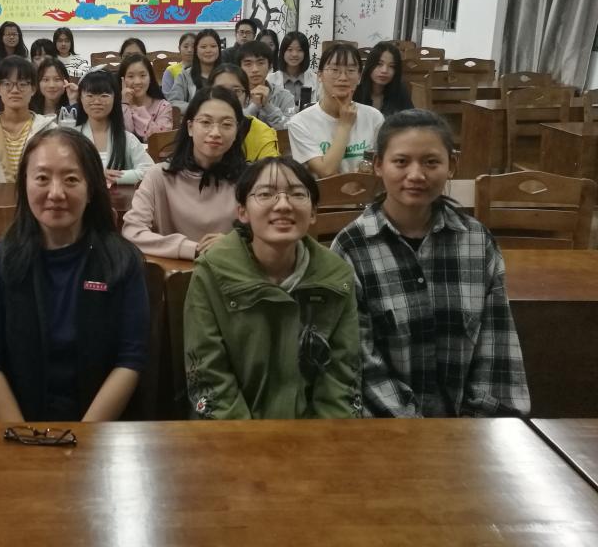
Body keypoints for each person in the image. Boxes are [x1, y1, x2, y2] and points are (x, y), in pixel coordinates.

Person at [331, 109, 530, 418]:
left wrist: (477, 425)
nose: (416, 175)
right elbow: (360, 360)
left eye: (431, 162)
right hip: (387, 428)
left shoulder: (476, 241)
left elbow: (496, 343)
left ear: (452, 165)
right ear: (378, 165)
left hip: (470, 427)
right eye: (401, 162)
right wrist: (417, 429)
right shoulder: (351, 248)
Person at [0, 128, 149, 422]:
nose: (55, 193)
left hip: (101, 432)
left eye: (71, 180)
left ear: (91, 189)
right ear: (24, 185)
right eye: (42, 178)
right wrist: (21, 436)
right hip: (18, 430)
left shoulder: (122, 261)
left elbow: (130, 359)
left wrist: (86, 435)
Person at [184, 157, 361, 419]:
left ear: (313, 212)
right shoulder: (211, 273)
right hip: (231, 433)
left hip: (316, 436)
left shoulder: (337, 276)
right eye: (265, 194)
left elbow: (340, 379)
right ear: (242, 211)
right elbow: (210, 375)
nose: (283, 205)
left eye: (297, 194)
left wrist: (323, 438)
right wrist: (250, 439)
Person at [122, 86, 245, 259]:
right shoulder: (159, 176)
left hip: (230, 271)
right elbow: (132, 231)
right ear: (190, 127)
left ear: (237, 131)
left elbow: (265, 236)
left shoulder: (248, 180)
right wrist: (194, 249)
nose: (215, 133)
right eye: (206, 122)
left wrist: (233, 244)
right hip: (175, 270)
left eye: (226, 124)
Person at [288, 43, 384, 177]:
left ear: (359, 77)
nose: (343, 77)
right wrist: (344, 125)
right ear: (320, 76)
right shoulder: (300, 123)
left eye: (351, 70)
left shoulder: (374, 117)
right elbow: (326, 171)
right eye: (334, 70)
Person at [0, 56, 56, 183]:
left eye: (22, 84)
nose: (15, 90)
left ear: (33, 89)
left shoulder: (49, 131)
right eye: (7, 84)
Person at [74, 71, 154, 185]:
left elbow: (150, 171)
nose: (97, 101)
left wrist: (117, 177)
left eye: (104, 96)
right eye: (90, 95)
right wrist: (95, 175)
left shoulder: (127, 139)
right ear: (80, 99)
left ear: (115, 99)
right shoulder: (72, 137)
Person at [210, 64, 279, 161]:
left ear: (247, 98)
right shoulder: (198, 126)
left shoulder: (262, 132)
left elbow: (271, 169)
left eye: (236, 91)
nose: (228, 97)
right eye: (221, 91)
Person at [234, 40, 295, 130]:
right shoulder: (233, 95)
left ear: (270, 66)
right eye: (248, 64)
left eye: (260, 63)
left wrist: (267, 106)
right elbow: (233, 128)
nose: (255, 69)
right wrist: (254, 106)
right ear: (239, 68)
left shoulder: (285, 96)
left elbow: (291, 127)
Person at [119, 53, 173, 141]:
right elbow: (123, 135)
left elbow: (159, 139)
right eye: (131, 76)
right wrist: (124, 104)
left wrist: (136, 110)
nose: (137, 82)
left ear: (150, 77)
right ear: (123, 79)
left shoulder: (163, 107)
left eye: (142, 75)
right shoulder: (116, 106)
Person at [167, 29, 222, 113]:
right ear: (196, 50)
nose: (208, 50)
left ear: (219, 49)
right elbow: (173, 102)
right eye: (203, 47)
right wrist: (198, 108)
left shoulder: (228, 75)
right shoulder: (184, 75)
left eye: (213, 46)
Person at [353, 42, 414, 117]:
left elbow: (411, 119)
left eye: (391, 66)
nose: (384, 70)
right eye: (379, 64)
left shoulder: (400, 90)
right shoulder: (355, 90)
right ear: (370, 65)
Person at [268, 31, 319, 108]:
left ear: (305, 53)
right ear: (283, 52)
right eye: (290, 49)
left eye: (299, 50)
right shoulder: (270, 80)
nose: (294, 54)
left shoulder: (315, 80)